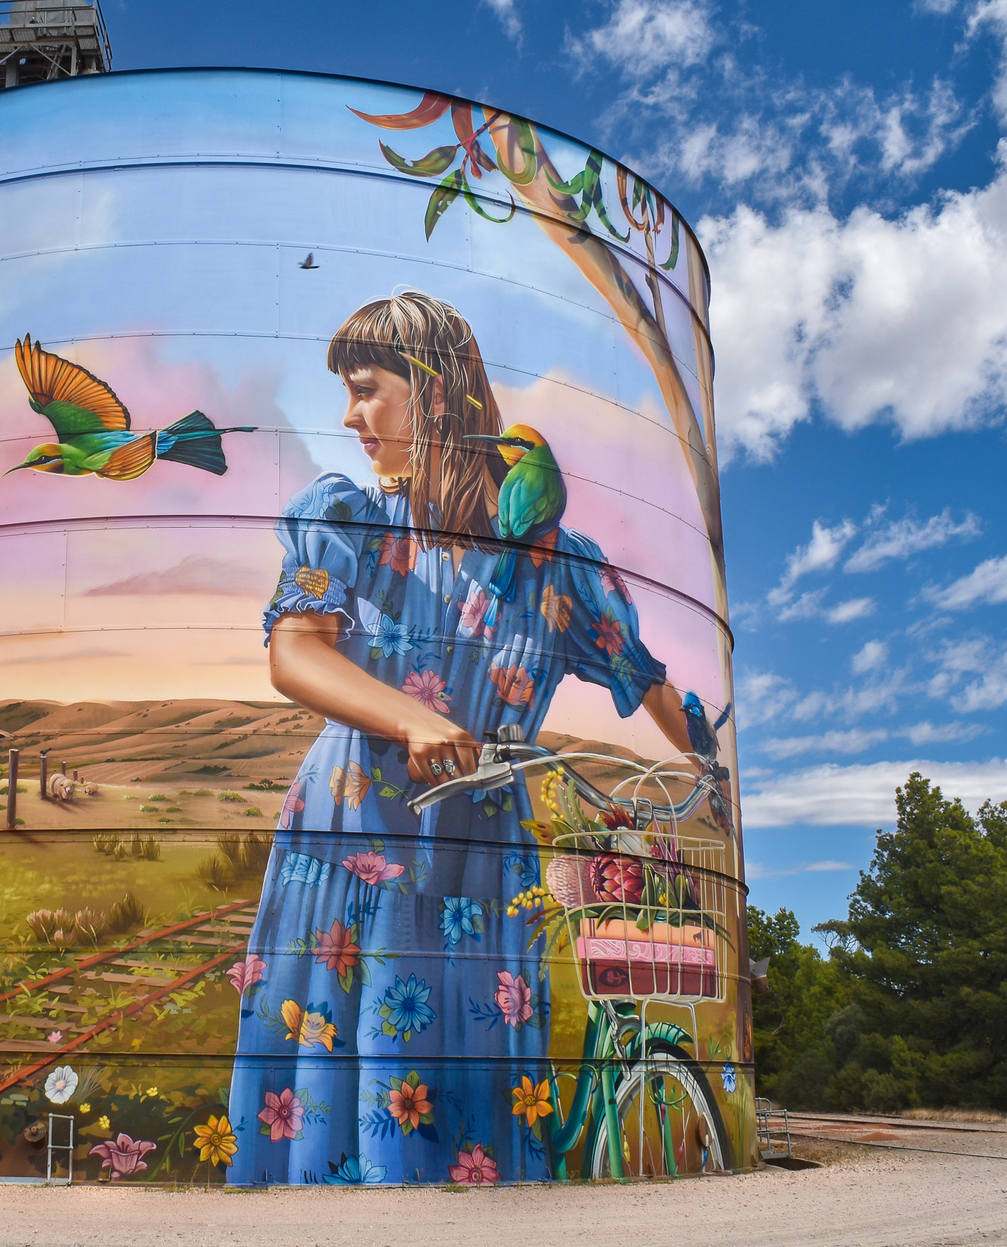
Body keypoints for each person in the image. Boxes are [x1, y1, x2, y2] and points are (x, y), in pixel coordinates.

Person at [224, 290, 697, 1185]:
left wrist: (706, 755)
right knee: (351, 1103)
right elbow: (295, 653)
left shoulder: (559, 570)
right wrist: (413, 717)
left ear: (433, 392)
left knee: (476, 1108)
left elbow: (653, 683)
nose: (350, 415)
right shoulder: (355, 521)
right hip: (356, 848)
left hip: (484, 860)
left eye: (367, 389)